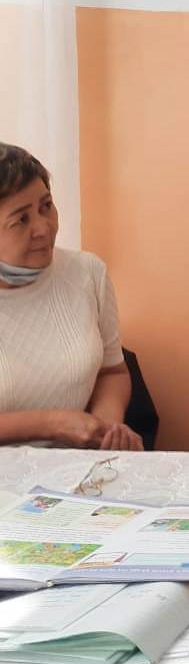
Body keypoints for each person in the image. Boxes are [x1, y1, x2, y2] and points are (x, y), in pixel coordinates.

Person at [0, 143, 143, 451]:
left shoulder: (86, 273)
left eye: (46, 206)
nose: (43, 228)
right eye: (21, 220)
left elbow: (112, 370)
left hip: (72, 473)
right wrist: (51, 424)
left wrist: (107, 428)